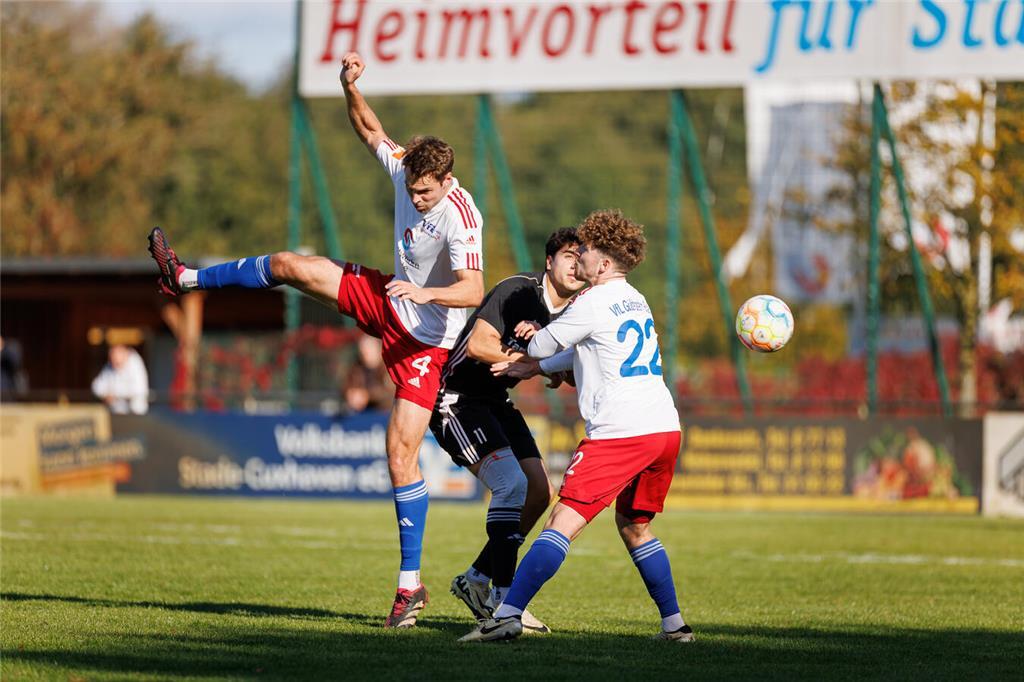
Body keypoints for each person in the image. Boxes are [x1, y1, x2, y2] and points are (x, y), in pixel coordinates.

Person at [146, 51, 484, 628]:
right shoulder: (406, 168)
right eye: (413, 188)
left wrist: (428, 295)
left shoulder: (461, 215)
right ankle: (184, 278)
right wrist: (350, 85)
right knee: (289, 264)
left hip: (426, 341)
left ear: (446, 181)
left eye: (426, 191)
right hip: (389, 297)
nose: (417, 197)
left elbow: (474, 288)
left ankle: (411, 589)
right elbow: (369, 127)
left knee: (399, 455)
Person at [462, 210, 693, 643]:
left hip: (620, 432)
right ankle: (674, 625)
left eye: (585, 251)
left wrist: (531, 336)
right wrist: (534, 367)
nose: (579, 257)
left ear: (603, 264)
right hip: (664, 428)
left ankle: (507, 614)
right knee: (635, 526)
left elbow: (547, 341)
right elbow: (582, 352)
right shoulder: (634, 298)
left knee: (561, 523)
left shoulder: (591, 301)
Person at [433, 227, 585, 634]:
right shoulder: (518, 291)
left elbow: (558, 370)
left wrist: (556, 368)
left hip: (496, 403)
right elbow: (481, 345)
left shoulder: (572, 315)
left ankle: (477, 580)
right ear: (549, 261)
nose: (576, 264)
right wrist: (528, 361)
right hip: (458, 399)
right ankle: (504, 602)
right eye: (568, 255)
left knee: (538, 491)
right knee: (512, 486)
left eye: (581, 257)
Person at [342, 335, 394, 414]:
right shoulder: (357, 367)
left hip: (384, 413)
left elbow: (390, 392)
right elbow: (346, 386)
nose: (364, 354)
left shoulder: (389, 368)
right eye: (362, 351)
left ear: (377, 349)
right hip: (361, 414)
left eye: (368, 350)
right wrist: (350, 394)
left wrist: (367, 396)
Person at [91, 344, 150, 415]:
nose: (113, 360)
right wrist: (105, 394)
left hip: (135, 415)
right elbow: (96, 386)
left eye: (115, 356)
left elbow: (139, 390)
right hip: (116, 413)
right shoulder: (110, 366)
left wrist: (114, 395)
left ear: (125, 353)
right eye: (111, 357)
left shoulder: (136, 365)